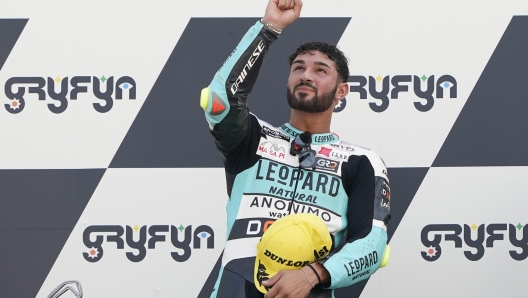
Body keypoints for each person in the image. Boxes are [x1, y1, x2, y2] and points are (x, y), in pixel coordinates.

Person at [200, 0, 391, 297]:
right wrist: (269, 27)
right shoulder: (253, 139)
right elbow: (220, 99)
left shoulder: (361, 162)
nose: (306, 75)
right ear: (288, 79)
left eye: (320, 70)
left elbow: (371, 244)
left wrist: (311, 275)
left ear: (342, 91)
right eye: (298, 68)